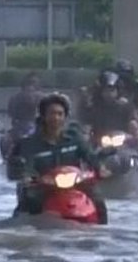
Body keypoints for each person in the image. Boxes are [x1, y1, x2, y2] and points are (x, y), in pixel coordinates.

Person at [8, 92, 109, 223]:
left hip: (75, 184)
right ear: (44, 116)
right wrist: (29, 177)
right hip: (42, 187)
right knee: (28, 206)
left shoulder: (75, 138)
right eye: (52, 113)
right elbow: (26, 166)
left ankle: (102, 233)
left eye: (60, 114)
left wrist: (100, 168)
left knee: (98, 200)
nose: (56, 118)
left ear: (65, 117)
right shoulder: (30, 144)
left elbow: (90, 156)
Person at [80, 70, 138, 146]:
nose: (109, 94)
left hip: (123, 143)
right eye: (106, 90)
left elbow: (133, 125)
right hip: (98, 142)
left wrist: (133, 136)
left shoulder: (125, 106)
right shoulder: (93, 107)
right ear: (100, 91)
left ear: (117, 91)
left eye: (112, 90)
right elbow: (86, 125)